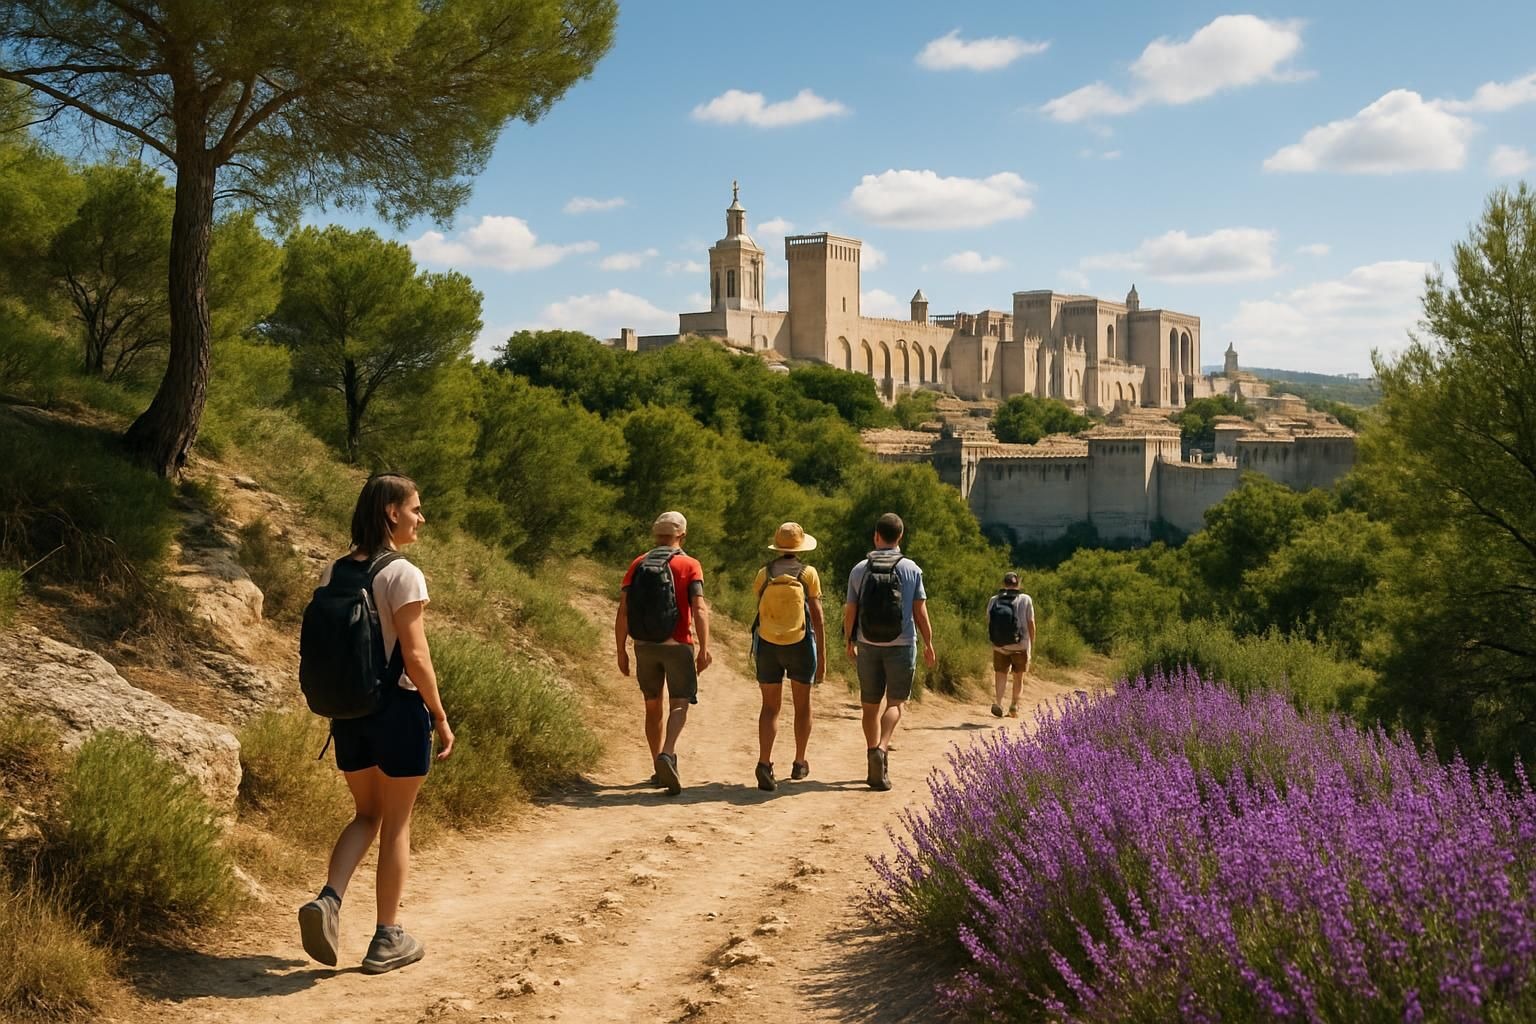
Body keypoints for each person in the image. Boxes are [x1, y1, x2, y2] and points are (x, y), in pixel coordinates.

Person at [299, 473, 455, 975]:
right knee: (397, 822)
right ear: (391, 512)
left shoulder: (334, 570)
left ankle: (329, 900)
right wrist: (439, 712)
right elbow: (416, 654)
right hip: (399, 711)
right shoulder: (402, 573)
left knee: (367, 814)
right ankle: (387, 937)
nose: (420, 518)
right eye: (414, 508)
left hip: (349, 713)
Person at [615, 511, 711, 795]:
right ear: (682, 534)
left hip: (644, 645)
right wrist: (704, 648)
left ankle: (656, 764)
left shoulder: (637, 564)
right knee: (679, 702)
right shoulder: (690, 564)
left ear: (656, 534)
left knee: (652, 704)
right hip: (677, 643)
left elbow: (623, 610)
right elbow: (699, 608)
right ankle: (667, 754)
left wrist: (621, 649)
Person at [843, 512, 936, 791]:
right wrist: (929, 643)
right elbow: (920, 612)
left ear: (876, 536)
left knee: (869, 707)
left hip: (868, 643)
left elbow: (851, 610)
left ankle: (872, 750)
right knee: (895, 703)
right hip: (902, 643)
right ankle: (882, 747)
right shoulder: (911, 569)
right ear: (900, 537)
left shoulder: (860, 569)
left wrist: (850, 640)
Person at [750, 522, 826, 791]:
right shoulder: (809, 574)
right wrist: (823, 658)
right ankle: (799, 761)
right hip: (800, 645)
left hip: (769, 645)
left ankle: (764, 762)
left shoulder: (765, 573)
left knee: (769, 707)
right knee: (802, 705)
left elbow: (758, 605)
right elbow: (817, 616)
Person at [986, 571, 1036, 718]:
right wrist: (1031, 643)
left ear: (1004, 584)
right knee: (1018, 676)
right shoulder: (1026, 599)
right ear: (1018, 584)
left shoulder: (994, 600)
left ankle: (999, 702)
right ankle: (1014, 706)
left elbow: (988, 620)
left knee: (1000, 674)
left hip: (1000, 646)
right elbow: (1031, 623)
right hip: (1020, 646)